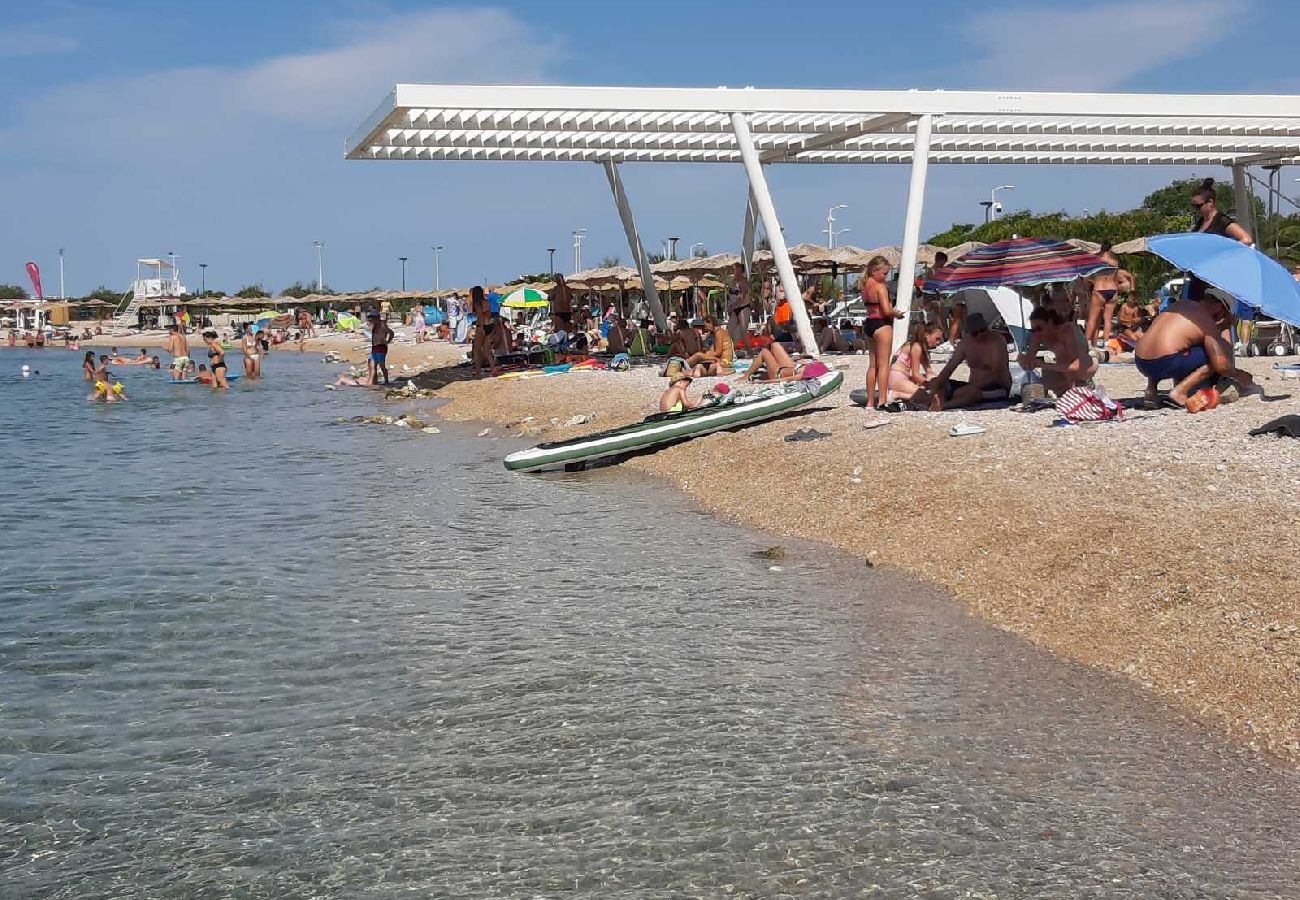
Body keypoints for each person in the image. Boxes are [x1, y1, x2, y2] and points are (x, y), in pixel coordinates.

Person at [1136, 290, 1254, 411]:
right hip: (1166, 362)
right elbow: (1220, 364)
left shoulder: (1181, 305)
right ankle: (1179, 392)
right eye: (1224, 313)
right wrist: (1237, 374)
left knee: (1171, 347)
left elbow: (1186, 336)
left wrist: (1220, 326)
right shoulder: (1204, 318)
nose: (1221, 318)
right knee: (1213, 357)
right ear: (1218, 307)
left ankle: (1151, 392)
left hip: (1142, 361)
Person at [915, 312, 1012, 410]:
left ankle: (943, 406)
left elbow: (996, 375)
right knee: (937, 382)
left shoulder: (997, 341)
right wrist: (936, 386)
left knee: (972, 393)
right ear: (969, 333)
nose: (980, 335)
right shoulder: (966, 343)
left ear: (987, 327)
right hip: (971, 385)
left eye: (983, 330)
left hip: (997, 387)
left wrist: (969, 388)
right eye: (975, 333)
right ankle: (938, 401)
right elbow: (949, 368)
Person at [1017, 307, 1098, 397]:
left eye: (1039, 328)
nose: (1036, 333)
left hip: (1084, 366)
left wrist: (1042, 364)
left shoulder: (1067, 330)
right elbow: (1030, 361)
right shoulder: (1037, 335)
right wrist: (1023, 360)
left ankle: (1083, 383)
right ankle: (1068, 389)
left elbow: (1075, 365)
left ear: (1050, 322)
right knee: (1043, 383)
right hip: (1063, 368)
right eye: (1033, 330)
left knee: (1061, 352)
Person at [861, 255, 903, 410]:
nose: (885, 277)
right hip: (881, 324)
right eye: (884, 273)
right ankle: (882, 400)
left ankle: (870, 402)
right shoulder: (880, 287)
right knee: (884, 364)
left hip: (869, 323)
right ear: (875, 270)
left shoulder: (865, 287)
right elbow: (886, 310)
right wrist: (896, 313)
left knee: (872, 365)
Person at [1083, 242, 1126, 348]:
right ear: (1110, 249)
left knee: (1092, 319)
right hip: (1112, 290)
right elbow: (1116, 278)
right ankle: (1105, 343)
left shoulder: (1096, 261)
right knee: (1108, 319)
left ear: (1101, 249)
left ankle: (1086, 343)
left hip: (1099, 289)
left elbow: (1086, 277)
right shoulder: (1115, 262)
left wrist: (1091, 282)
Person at [888, 321, 942, 403]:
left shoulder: (921, 348)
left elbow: (929, 372)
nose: (938, 342)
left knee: (931, 389)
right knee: (926, 397)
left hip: (902, 377)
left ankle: (903, 395)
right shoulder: (916, 347)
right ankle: (896, 394)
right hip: (897, 379)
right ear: (927, 335)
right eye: (937, 339)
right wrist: (930, 386)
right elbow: (915, 375)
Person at [469, 286, 499, 378]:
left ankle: (478, 372)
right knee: (487, 350)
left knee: (477, 350)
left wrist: (481, 327)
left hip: (481, 326)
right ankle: (493, 368)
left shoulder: (477, 303)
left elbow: (481, 316)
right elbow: (488, 314)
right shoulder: (486, 301)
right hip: (490, 325)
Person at [726, 262, 753, 346]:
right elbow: (732, 296)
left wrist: (733, 305)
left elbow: (743, 295)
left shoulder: (743, 281)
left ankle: (749, 352)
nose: (732, 271)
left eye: (734, 269)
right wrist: (730, 305)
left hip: (743, 307)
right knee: (729, 331)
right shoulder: (733, 281)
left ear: (739, 270)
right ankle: (731, 350)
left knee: (743, 331)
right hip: (735, 308)